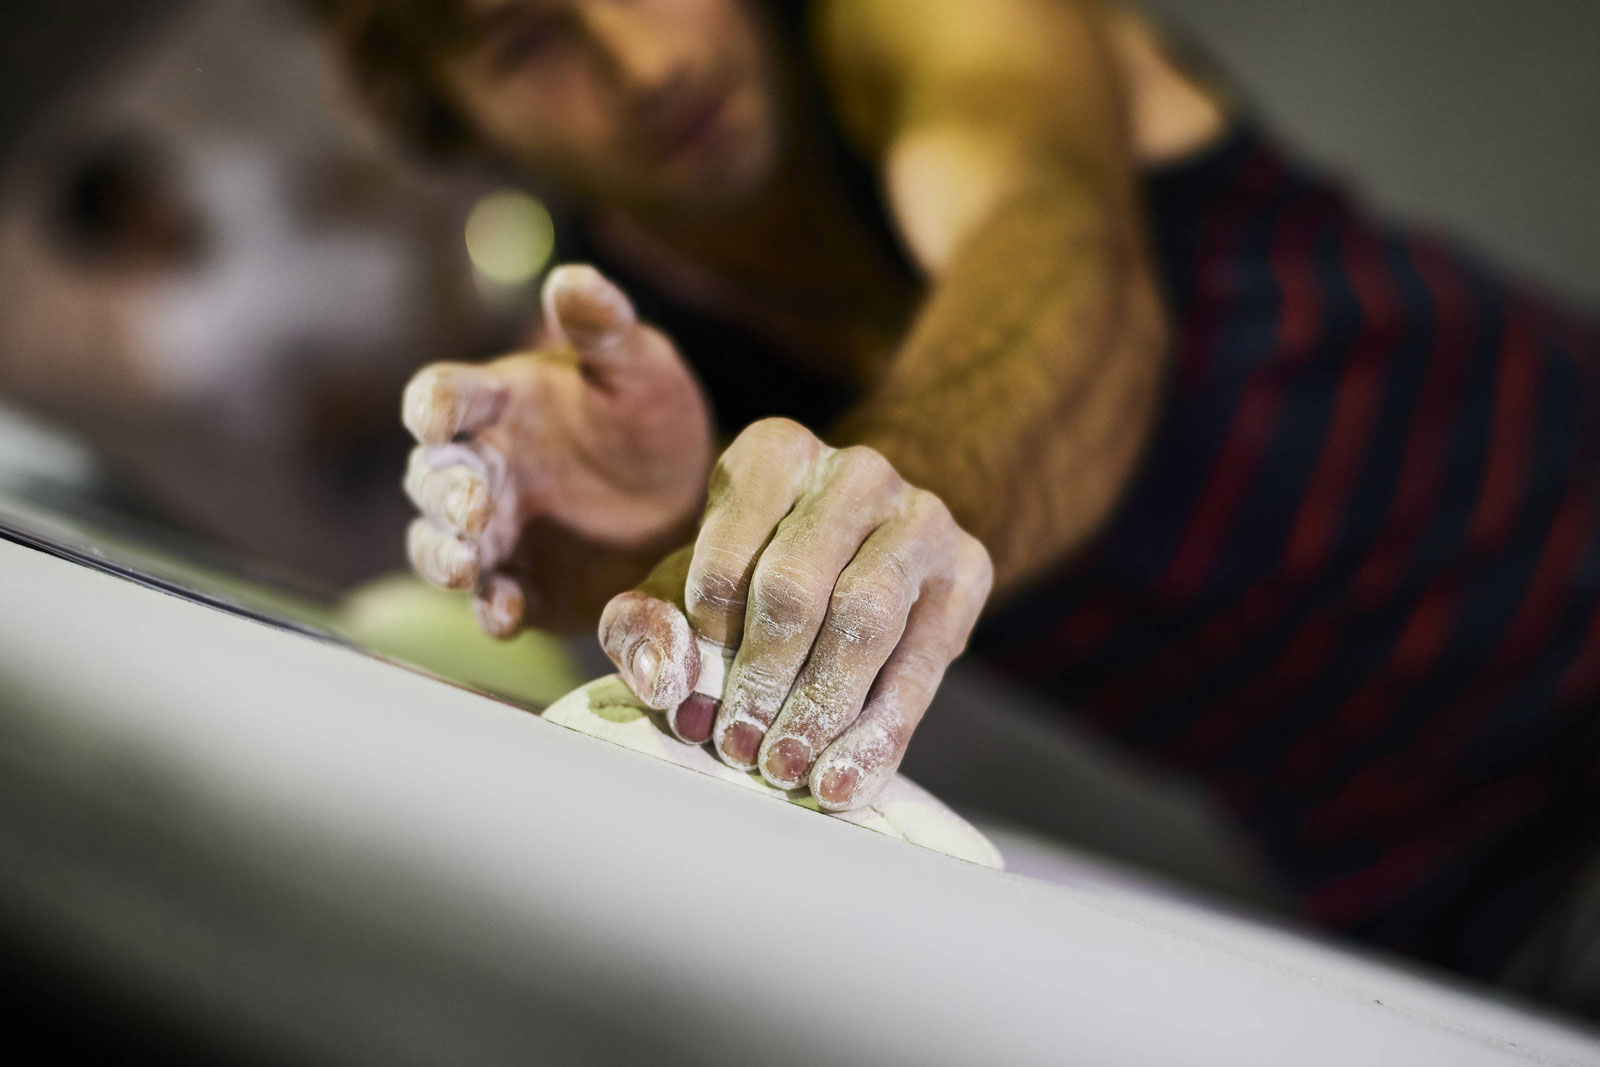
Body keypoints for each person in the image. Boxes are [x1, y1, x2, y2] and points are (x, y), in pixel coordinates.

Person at [311, 0, 1600, 1014]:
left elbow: (1059, 268)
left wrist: (890, 498)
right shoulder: (639, 351)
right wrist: (660, 557)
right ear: (441, 108)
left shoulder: (916, 22)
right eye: (524, 36)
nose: (644, 61)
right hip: (1425, 882)